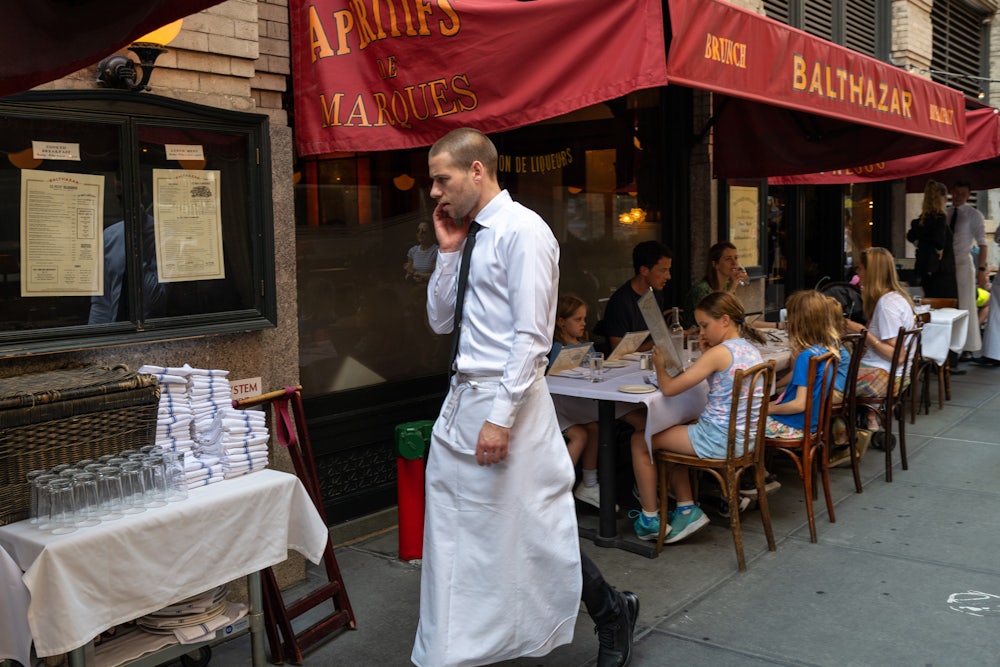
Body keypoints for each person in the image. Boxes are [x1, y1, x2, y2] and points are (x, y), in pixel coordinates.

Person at [414, 128, 637, 667]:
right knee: (453, 526)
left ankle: (610, 610)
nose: (434, 194)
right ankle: (458, 648)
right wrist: (447, 254)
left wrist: (500, 418)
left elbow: (532, 338)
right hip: (462, 397)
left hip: (504, 401)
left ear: (476, 170)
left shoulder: (524, 231)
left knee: (533, 527)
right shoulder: (468, 236)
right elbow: (441, 321)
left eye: (441, 180)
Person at [630, 292, 763, 544]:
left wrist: (659, 365)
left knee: (640, 440)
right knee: (677, 429)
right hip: (746, 439)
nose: (701, 331)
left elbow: (669, 389)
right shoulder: (749, 348)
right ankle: (685, 509)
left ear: (725, 320)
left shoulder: (719, 353)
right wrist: (707, 352)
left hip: (720, 440)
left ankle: (649, 517)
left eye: (704, 325)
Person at [843, 248, 916, 438]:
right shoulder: (895, 298)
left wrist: (862, 332)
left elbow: (897, 356)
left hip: (885, 376)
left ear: (871, 271)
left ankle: (838, 436)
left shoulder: (887, 305)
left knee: (822, 378)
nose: (857, 272)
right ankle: (858, 425)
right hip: (891, 374)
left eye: (860, 268)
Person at [764, 290, 841, 443]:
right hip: (809, 423)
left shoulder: (806, 358)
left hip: (793, 425)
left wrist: (768, 409)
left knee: (739, 423)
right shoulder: (824, 351)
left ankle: (754, 465)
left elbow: (799, 404)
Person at [599, 240, 673, 352]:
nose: (668, 276)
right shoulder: (621, 303)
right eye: (663, 270)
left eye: (668, 270)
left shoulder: (655, 295)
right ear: (644, 270)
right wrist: (664, 339)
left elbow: (659, 334)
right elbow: (618, 352)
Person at [948, 181, 988, 361]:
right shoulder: (946, 213)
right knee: (949, 305)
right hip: (946, 266)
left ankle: (966, 346)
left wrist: (981, 270)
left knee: (965, 305)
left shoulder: (973, 214)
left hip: (964, 263)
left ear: (968, 195)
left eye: (963, 194)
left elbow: (983, 243)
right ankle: (949, 344)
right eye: (956, 192)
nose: (958, 196)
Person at [681, 241, 749, 329]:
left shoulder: (728, 286)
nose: (734, 263)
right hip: (697, 338)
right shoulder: (702, 289)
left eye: (736, 258)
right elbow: (714, 319)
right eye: (728, 259)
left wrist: (772, 325)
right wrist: (733, 288)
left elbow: (737, 318)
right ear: (715, 264)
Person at [907, 180, 955, 299]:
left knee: (930, 302)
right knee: (946, 306)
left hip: (924, 270)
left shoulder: (920, 221)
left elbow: (910, 236)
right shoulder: (940, 218)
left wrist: (920, 243)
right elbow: (939, 241)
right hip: (941, 271)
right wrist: (939, 250)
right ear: (942, 198)